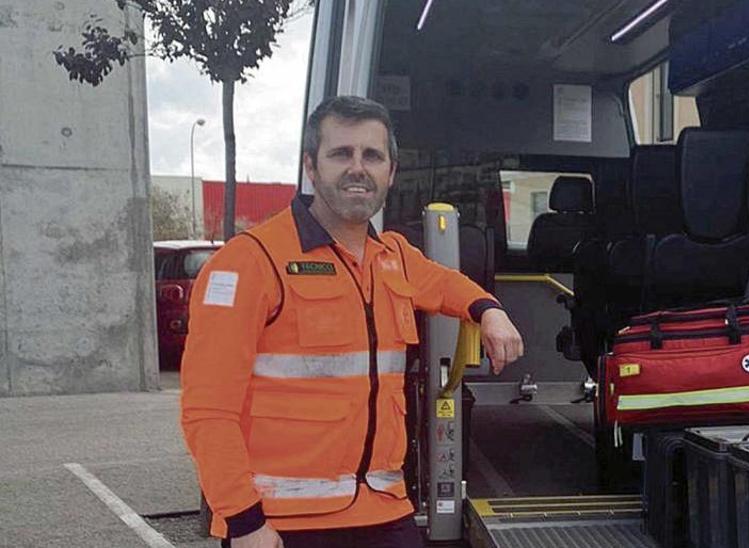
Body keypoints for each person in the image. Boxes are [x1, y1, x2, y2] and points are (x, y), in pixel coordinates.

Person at [180, 95, 524, 548]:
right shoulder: (247, 263)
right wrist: (243, 521)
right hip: (283, 523)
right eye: (341, 153)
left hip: (383, 508)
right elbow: (208, 410)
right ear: (311, 166)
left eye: (372, 155)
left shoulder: (393, 255)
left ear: (390, 172)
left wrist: (488, 310)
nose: (357, 168)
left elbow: (443, 283)